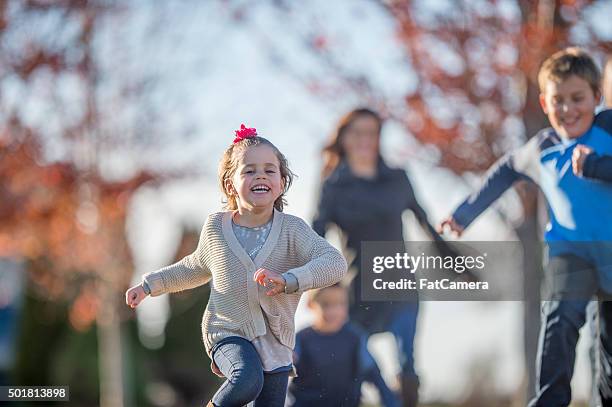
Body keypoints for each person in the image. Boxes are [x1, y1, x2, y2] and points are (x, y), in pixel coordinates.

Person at [125, 125, 347, 407]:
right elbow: (193, 267)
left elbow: (334, 262)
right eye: (250, 170)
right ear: (230, 183)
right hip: (228, 332)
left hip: (276, 342)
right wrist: (149, 285)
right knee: (246, 380)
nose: (261, 176)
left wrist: (290, 279)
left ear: (282, 182)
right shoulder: (216, 228)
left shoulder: (293, 230)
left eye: (270, 170)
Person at [438, 47, 612, 406]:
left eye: (577, 98)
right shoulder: (540, 148)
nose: (568, 109)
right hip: (570, 251)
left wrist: (598, 166)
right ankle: (548, 400)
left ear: (597, 97)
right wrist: (465, 213)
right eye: (558, 100)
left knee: (608, 344)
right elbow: (505, 171)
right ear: (545, 104)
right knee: (560, 318)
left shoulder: (608, 128)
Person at [313, 108, 453, 407]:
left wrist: (456, 262)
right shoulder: (335, 186)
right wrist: (302, 279)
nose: (365, 139)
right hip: (357, 291)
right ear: (345, 138)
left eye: (372, 132)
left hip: (402, 286)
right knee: (357, 368)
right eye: (358, 132)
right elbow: (316, 234)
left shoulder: (398, 179)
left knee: (408, 367)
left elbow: (425, 222)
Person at [288, 283, 400, 407]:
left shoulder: (355, 338)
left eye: (341, 304)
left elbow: (375, 377)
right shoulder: (301, 338)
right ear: (310, 304)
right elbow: (286, 369)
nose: (334, 311)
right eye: (326, 304)